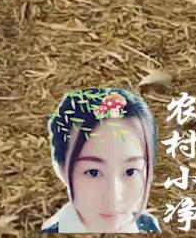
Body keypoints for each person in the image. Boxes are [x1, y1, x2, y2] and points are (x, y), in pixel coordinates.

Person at [43, 88, 163, 232]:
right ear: (62, 169)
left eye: (130, 171)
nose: (113, 197)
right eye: (93, 172)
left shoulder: (148, 225)